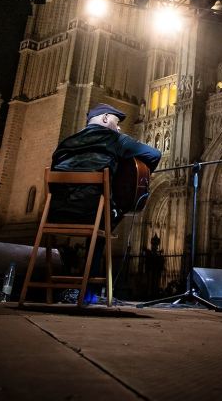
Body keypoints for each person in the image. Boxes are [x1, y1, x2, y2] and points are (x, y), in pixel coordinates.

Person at [49, 103, 161, 301]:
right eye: (116, 123)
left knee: (104, 213)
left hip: (56, 212)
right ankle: (90, 291)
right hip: (94, 212)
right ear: (104, 119)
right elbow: (154, 155)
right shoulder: (114, 139)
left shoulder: (65, 143)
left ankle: (65, 289)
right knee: (107, 219)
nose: (119, 128)